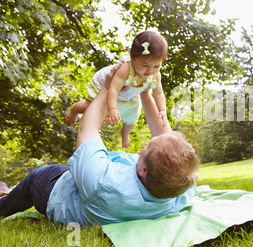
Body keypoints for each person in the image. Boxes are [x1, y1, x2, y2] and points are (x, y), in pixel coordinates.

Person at [0, 64, 199, 226]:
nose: (144, 147)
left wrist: (107, 88)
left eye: (146, 147)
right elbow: (166, 138)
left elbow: (87, 129)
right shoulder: (180, 189)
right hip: (79, 182)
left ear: (144, 170)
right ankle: (7, 192)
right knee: (66, 170)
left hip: (54, 194)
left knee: (36, 178)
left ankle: (3, 203)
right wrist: (145, 93)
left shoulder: (102, 184)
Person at [65, 30, 168, 148]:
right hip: (106, 86)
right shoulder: (126, 69)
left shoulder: (155, 74)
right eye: (145, 65)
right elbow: (113, 89)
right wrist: (112, 109)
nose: (150, 70)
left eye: (156, 66)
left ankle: (125, 132)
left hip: (128, 94)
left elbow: (158, 93)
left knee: (133, 116)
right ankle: (74, 109)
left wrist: (162, 110)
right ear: (133, 58)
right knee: (89, 108)